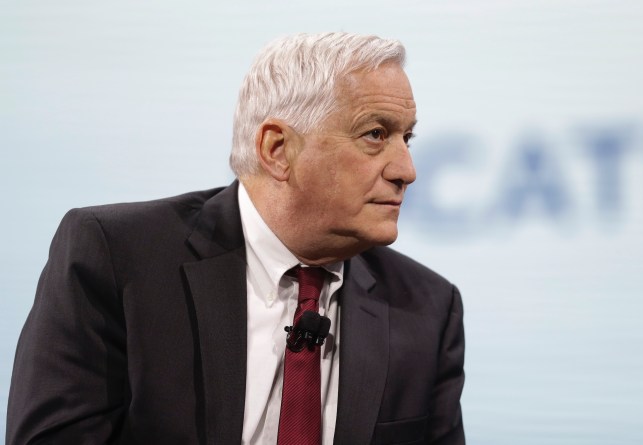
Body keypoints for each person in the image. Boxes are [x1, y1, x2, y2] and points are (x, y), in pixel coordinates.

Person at [6, 32, 465, 445]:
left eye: (407, 137)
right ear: (277, 150)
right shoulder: (116, 258)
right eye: (375, 134)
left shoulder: (427, 308)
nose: (406, 170)